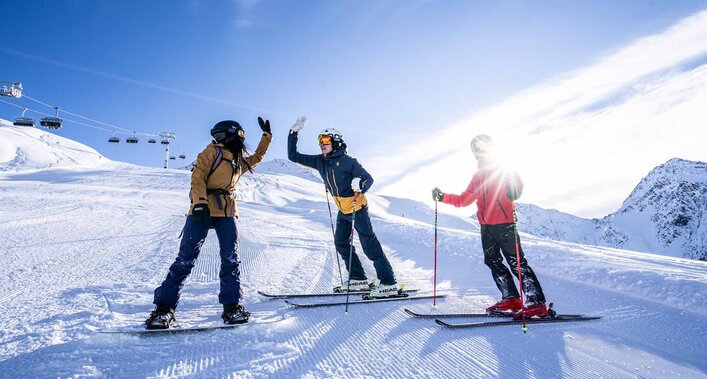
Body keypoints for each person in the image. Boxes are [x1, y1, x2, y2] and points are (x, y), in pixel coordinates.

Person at [145, 118, 273, 329]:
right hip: (201, 211)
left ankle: (231, 306)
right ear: (228, 134)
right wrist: (199, 203)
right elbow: (198, 177)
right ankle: (164, 308)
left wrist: (266, 136)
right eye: (240, 135)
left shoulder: (236, 160)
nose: (242, 140)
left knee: (231, 259)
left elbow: (257, 157)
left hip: (227, 212)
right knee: (185, 259)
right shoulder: (211, 152)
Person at [432, 134, 548, 318]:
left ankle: (536, 302)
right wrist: (442, 197)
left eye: (483, 147)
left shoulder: (504, 169)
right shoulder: (477, 177)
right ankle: (511, 297)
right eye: (476, 149)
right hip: (487, 227)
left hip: (505, 225)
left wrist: (514, 190)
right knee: (492, 261)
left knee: (516, 262)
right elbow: (464, 200)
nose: (480, 151)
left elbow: (517, 185)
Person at [287, 117, 400, 298]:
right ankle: (358, 279)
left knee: (369, 245)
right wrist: (293, 134)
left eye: (325, 141)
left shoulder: (349, 162)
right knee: (340, 242)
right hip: (343, 211)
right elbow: (293, 156)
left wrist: (360, 185)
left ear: (336, 142)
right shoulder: (320, 162)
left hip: (358, 208)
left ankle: (389, 283)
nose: (321, 144)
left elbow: (368, 179)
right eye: (319, 141)